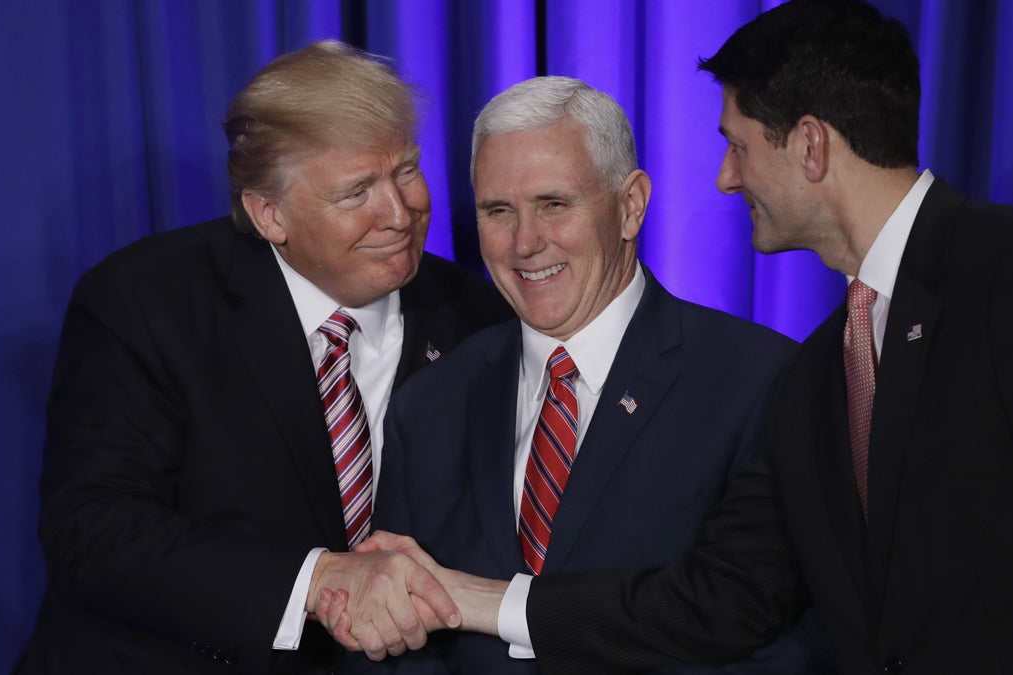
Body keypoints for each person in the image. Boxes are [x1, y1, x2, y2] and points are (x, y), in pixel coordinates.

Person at [315, 1, 1013, 673]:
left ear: (809, 146)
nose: (727, 178)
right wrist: (467, 596)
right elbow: (722, 598)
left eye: (736, 146)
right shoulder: (824, 368)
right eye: (497, 210)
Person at [17, 40, 512, 674]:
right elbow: (93, 531)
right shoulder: (146, 303)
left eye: (406, 170)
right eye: (357, 190)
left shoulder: (481, 318)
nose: (400, 212)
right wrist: (318, 579)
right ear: (269, 213)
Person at [337, 76, 826, 674]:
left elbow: (764, 630)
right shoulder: (430, 402)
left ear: (630, 206)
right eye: (498, 211)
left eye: (554, 204)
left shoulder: (760, 381)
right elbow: (392, 637)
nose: (525, 243)